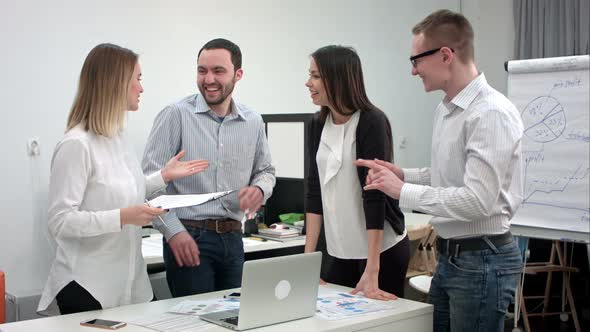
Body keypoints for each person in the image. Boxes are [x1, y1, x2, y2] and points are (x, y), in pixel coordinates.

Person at [356, 9, 524, 332]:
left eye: (416, 60)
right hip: (453, 258)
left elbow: (478, 201)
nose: (413, 71)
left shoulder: (490, 113)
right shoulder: (446, 110)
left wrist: (401, 191)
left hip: (482, 259)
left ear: (446, 55)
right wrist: (403, 174)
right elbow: (447, 176)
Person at [37, 43, 209, 315]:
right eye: (137, 79)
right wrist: (121, 217)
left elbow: (127, 192)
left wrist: (163, 176)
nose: (141, 88)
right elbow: (59, 221)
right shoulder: (76, 145)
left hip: (132, 286)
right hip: (87, 286)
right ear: (115, 83)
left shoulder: (118, 138)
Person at [142, 38, 276, 297]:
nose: (208, 79)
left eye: (218, 71)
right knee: (196, 322)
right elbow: (149, 184)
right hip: (189, 237)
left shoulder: (252, 121)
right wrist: (173, 232)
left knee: (236, 319)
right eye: (202, 70)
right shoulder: (176, 115)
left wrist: (260, 189)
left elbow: (266, 171)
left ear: (238, 74)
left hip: (234, 237)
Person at [303, 45, 409, 301]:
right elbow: (314, 191)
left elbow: (375, 196)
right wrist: (307, 263)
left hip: (380, 251)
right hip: (339, 250)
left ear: (337, 78)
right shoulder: (316, 124)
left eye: (316, 76)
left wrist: (373, 269)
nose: (308, 83)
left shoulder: (372, 121)